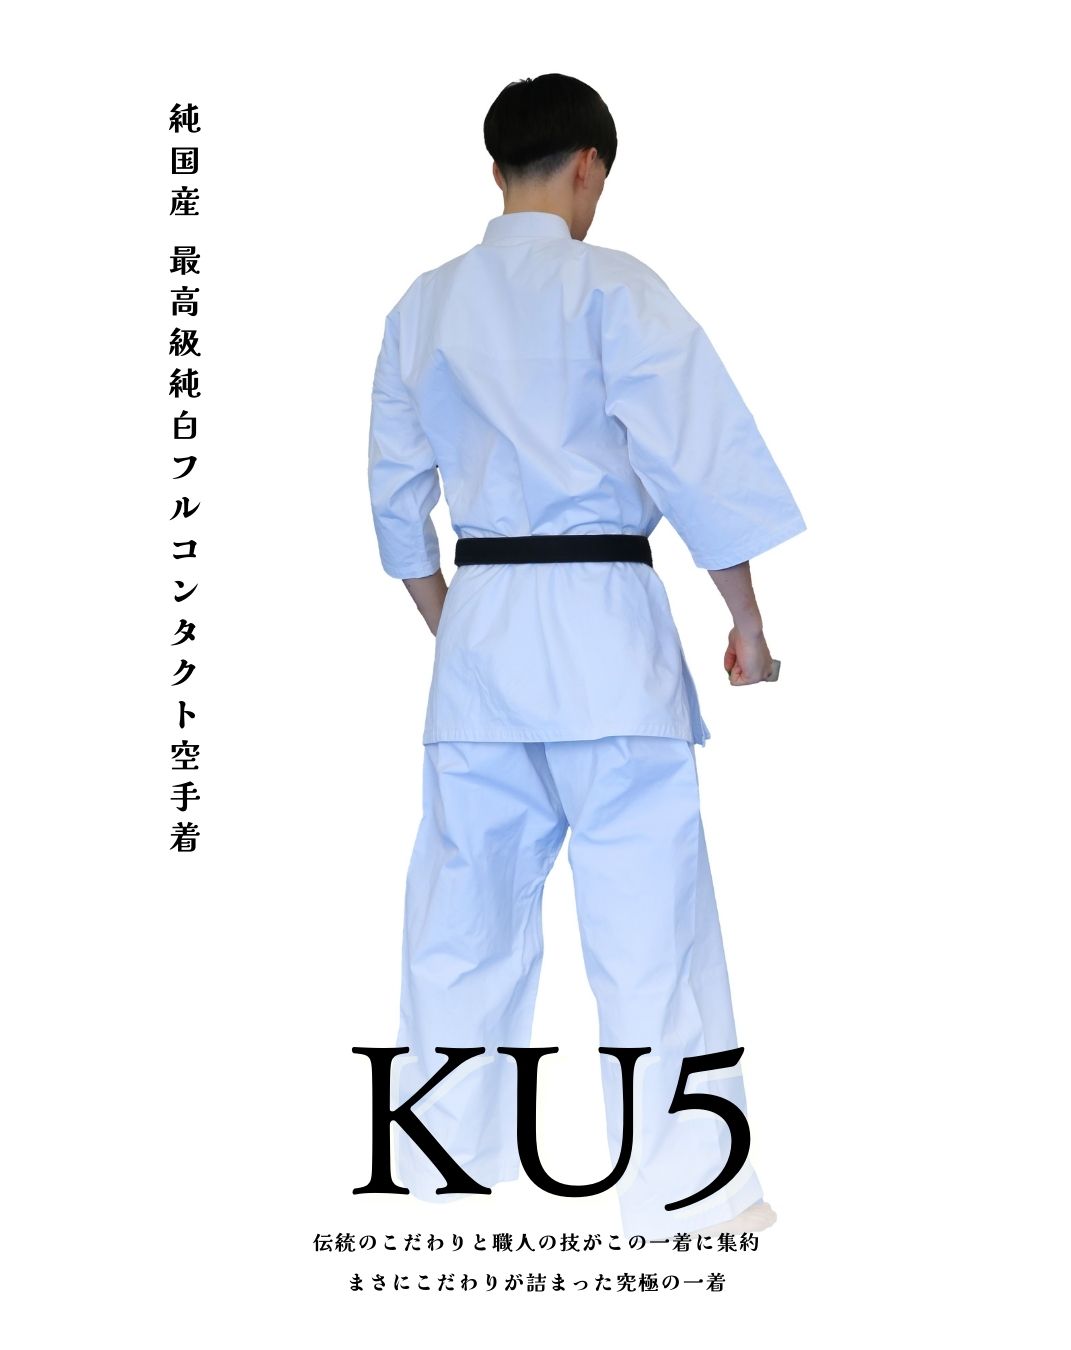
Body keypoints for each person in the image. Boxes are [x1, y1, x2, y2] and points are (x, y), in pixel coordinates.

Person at [366, 72, 806, 1239]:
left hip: (481, 653)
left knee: (460, 926)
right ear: (588, 165)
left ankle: (437, 1174)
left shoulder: (422, 307)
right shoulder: (617, 290)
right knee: (651, 929)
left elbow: (397, 511)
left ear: (495, 168)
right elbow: (697, 463)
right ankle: (688, 1194)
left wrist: (462, 630)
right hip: (611, 644)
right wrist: (748, 627)